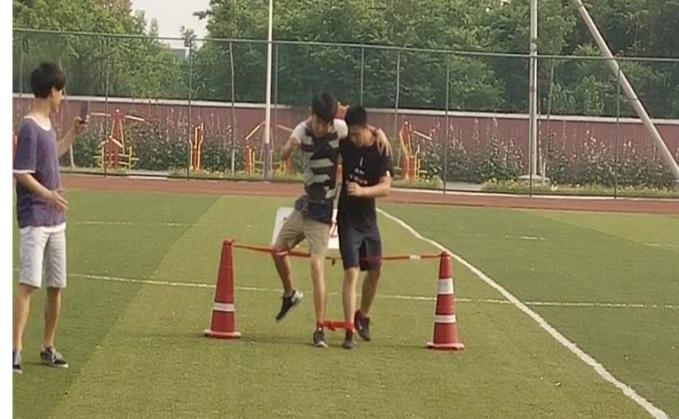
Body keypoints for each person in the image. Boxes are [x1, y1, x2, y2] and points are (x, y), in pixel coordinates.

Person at [272, 93, 389, 348]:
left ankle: (320, 328)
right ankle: (290, 294)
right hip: (304, 207)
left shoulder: (340, 129)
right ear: (312, 116)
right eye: (319, 122)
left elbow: (358, 125)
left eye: (327, 123)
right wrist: (289, 149)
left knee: (318, 265)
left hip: (323, 213)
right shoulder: (302, 130)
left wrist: (378, 132)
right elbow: (283, 153)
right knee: (277, 251)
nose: (322, 128)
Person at [13, 63, 88, 373]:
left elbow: (50, 156)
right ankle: (14, 349)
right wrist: (48, 195)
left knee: (56, 285)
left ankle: (48, 346)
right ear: (51, 91)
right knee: (29, 283)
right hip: (35, 217)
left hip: (56, 219)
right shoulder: (30, 126)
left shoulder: (47, 125)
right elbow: (21, 173)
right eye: (61, 91)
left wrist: (72, 134)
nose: (63, 97)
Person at [338, 105, 392, 350]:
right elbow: (332, 112)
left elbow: (386, 188)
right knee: (351, 272)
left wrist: (362, 191)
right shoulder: (346, 143)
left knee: (376, 270)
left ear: (365, 129)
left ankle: (363, 316)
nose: (353, 138)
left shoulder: (380, 149)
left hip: (368, 221)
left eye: (356, 134)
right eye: (350, 134)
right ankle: (349, 330)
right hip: (347, 220)